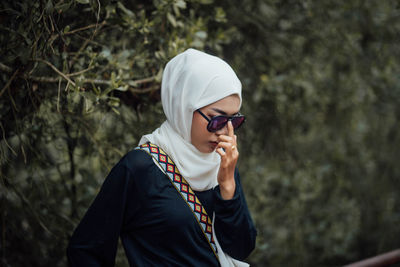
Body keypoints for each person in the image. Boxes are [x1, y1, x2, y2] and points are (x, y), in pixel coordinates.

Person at [67, 48, 257, 266]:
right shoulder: (140, 168)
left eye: (234, 121)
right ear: (184, 107)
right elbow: (85, 250)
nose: (225, 132)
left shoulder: (222, 164)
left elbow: (241, 248)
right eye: (217, 120)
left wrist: (228, 187)